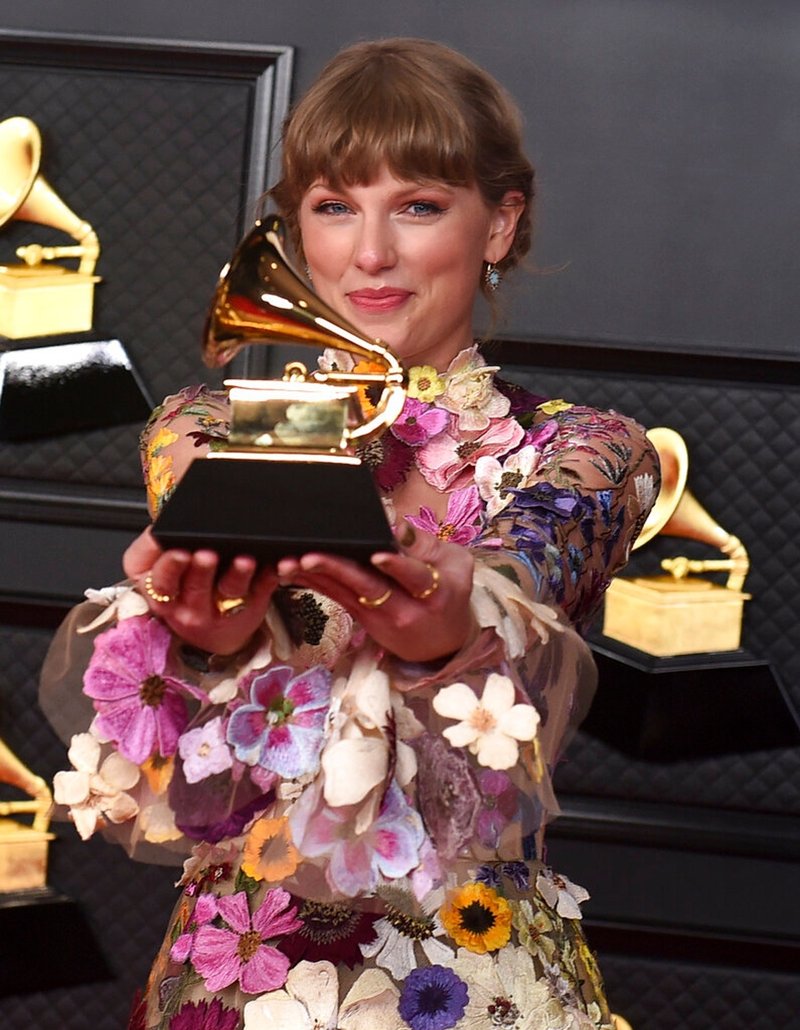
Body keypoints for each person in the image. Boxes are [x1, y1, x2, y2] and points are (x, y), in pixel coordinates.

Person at [40, 37, 659, 1030]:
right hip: (246, 960)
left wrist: (456, 628)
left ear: (498, 224)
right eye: (332, 206)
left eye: (415, 205)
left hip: (467, 964)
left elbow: (523, 574)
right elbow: (191, 747)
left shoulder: (587, 452)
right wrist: (206, 637)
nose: (368, 254)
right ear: (297, 233)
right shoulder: (199, 430)